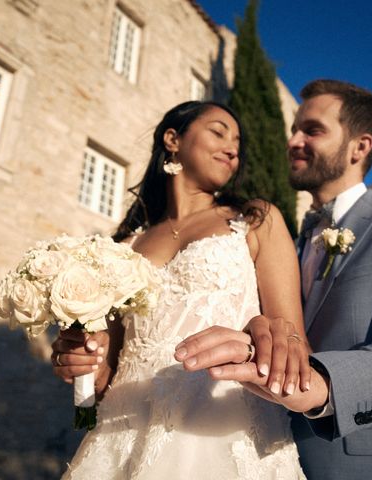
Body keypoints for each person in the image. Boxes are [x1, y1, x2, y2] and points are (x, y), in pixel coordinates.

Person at [175, 79, 372, 479]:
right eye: (294, 129)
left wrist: (325, 385)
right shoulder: (284, 244)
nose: (294, 140)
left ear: (359, 147)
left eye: (312, 130)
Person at [50, 100, 314, 479]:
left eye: (237, 142)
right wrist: (81, 361)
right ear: (173, 139)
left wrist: (260, 342)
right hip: (122, 432)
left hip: (222, 428)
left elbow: (292, 343)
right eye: (218, 132)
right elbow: (106, 372)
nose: (232, 149)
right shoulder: (123, 247)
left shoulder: (255, 220)